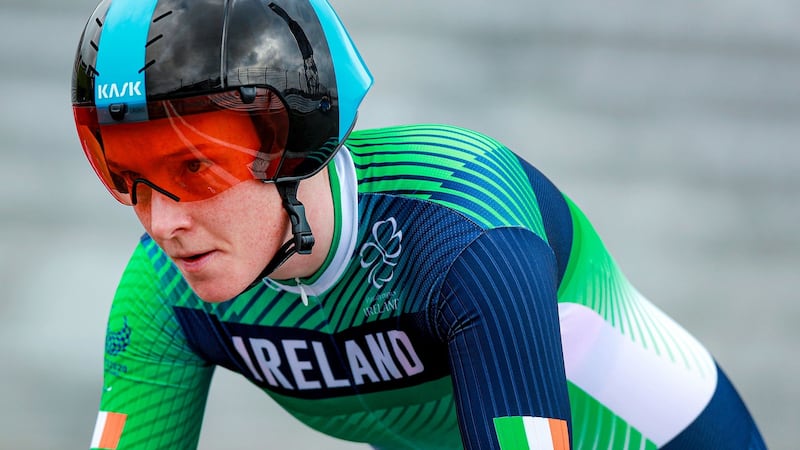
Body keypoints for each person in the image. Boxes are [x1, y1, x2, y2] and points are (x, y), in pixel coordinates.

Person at [72, 0, 766, 449]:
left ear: (293, 141)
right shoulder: (164, 290)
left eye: (194, 170)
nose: (163, 222)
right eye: (128, 179)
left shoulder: (462, 224)